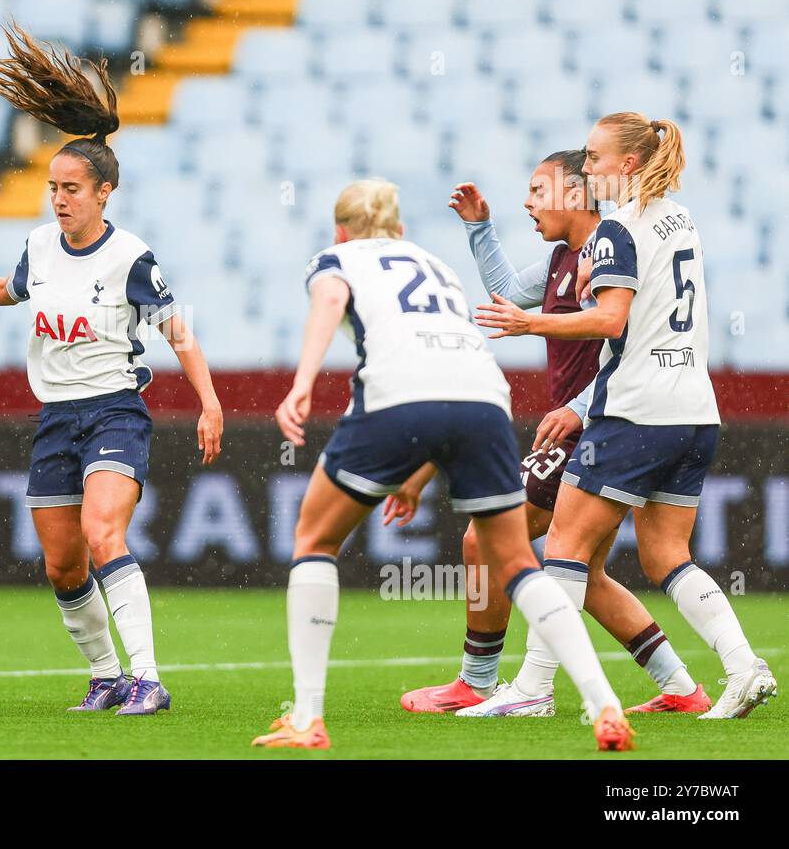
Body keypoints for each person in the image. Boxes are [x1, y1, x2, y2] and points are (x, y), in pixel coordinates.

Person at [0, 22, 223, 716]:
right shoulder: (39, 245)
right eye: (54, 187)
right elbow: (7, 291)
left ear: (103, 193)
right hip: (56, 417)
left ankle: (148, 678)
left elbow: (177, 330)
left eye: (72, 188)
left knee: (103, 535)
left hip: (115, 411)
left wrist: (209, 403)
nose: (59, 198)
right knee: (62, 564)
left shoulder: (131, 258)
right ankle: (105, 677)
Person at [251, 178, 634, 750]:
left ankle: (307, 719)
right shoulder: (434, 264)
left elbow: (332, 302)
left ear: (341, 230)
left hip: (398, 395)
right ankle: (603, 703)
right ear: (400, 231)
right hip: (485, 398)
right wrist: (419, 474)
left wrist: (302, 382)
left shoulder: (336, 256)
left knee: (313, 539)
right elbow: (447, 373)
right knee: (516, 562)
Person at [476, 112, 777, 720]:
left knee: (562, 545)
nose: (586, 170)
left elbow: (611, 320)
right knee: (666, 556)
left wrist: (530, 322)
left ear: (629, 164)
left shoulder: (617, 226)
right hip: (695, 408)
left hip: (636, 409)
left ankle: (533, 688)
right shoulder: (677, 215)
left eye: (593, 158)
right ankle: (745, 669)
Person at [394, 151, 707, 716]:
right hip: (597, 425)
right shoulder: (565, 259)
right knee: (583, 569)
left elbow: (625, 342)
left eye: (539, 190)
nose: (528, 202)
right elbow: (507, 296)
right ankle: (683, 688)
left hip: (601, 425)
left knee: (484, 537)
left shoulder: (610, 254)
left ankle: (478, 680)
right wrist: (479, 230)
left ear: (576, 193)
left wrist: (581, 408)